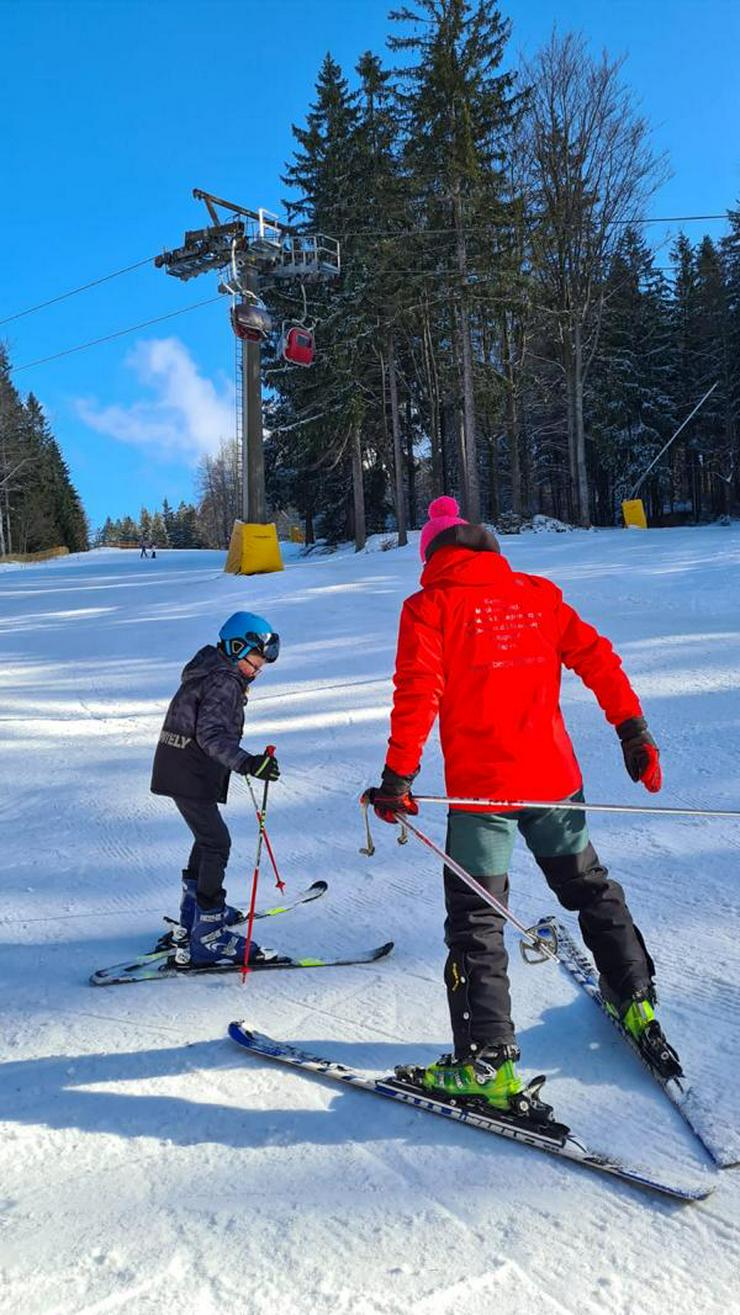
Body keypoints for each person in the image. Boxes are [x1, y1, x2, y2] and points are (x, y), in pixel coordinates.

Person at [365, 495, 678, 1114]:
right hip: (553, 781)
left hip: (481, 794)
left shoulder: (429, 606)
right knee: (589, 886)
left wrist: (398, 776)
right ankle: (635, 995)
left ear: (431, 555)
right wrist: (632, 728)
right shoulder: (536, 593)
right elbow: (598, 657)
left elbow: (417, 692)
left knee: (477, 920)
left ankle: (489, 1064)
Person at [151, 611, 281, 967]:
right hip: (189, 769)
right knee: (216, 843)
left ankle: (193, 917)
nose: (261, 667)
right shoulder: (224, 680)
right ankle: (208, 934)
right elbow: (211, 736)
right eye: (258, 657)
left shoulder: (212, 670)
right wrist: (248, 763)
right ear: (237, 647)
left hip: (184, 767)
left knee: (206, 839)